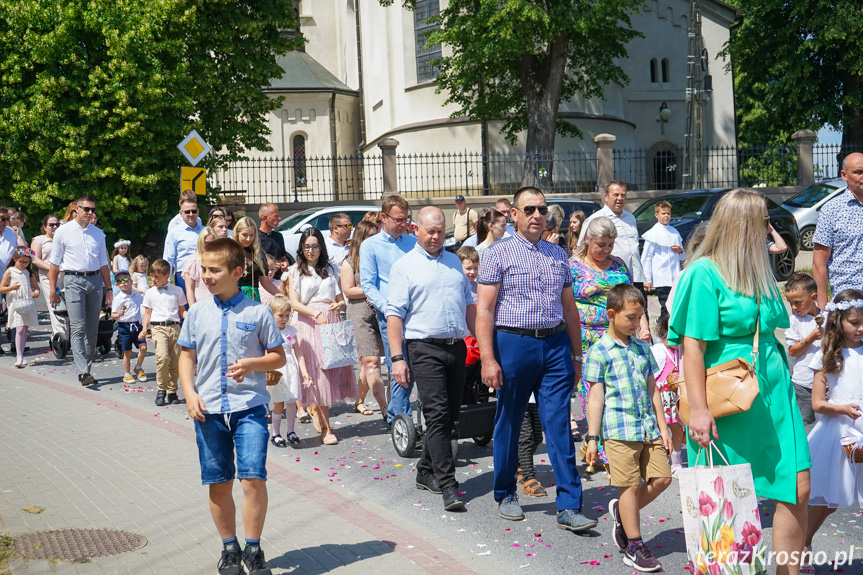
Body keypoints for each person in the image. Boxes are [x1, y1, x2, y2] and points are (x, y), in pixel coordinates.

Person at [670, 188, 810, 574]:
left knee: (797, 489)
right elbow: (692, 346)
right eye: (762, 221)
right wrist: (697, 410)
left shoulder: (757, 267)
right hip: (727, 395)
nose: (769, 228)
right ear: (742, 226)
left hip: (774, 391)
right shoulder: (703, 272)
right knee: (725, 496)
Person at [476, 186, 596, 532]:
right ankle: (505, 492)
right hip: (513, 343)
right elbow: (484, 310)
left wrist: (576, 355)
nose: (536, 215)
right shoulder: (497, 253)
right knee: (510, 420)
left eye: (541, 209)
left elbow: (570, 310)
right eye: (529, 209)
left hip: (556, 343)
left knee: (558, 423)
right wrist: (488, 359)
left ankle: (570, 504)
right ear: (514, 214)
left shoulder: (558, 254)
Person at [177, 238, 286, 575]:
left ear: (236, 272)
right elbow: (186, 354)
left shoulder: (257, 312)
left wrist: (253, 364)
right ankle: (229, 547)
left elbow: (278, 356)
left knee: (253, 478)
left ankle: (253, 549)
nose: (206, 276)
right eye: (204, 269)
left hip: (249, 408)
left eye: (214, 270)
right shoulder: (196, 312)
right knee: (219, 481)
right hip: (207, 409)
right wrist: (189, 392)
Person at [387, 206, 475, 511]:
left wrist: (485, 347)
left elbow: (470, 306)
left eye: (440, 230)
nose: (436, 236)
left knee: (450, 415)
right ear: (416, 230)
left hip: (456, 347)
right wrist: (398, 358)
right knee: (436, 415)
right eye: (430, 231)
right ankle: (448, 483)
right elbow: (394, 315)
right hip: (423, 348)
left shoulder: (454, 262)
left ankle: (425, 471)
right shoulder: (405, 266)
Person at [584, 283, 672, 572]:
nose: (637, 324)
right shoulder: (599, 351)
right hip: (618, 430)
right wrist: (593, 437)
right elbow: (596, 397)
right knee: (630, 486)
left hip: (647, 427)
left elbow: (653, 389)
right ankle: (634, 545)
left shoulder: (642, 348)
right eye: (631, 318)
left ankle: (623, 514)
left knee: (662, 479)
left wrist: (664, 427)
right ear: (612, 314)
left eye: (640, 317)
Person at [570, 217, 648, 448]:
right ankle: (601, 446)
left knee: (620, 390)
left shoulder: (619, 265)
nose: (606, 250)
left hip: (620, 337)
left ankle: (619, 443)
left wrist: (643, 326)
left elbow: (633, 299)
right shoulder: (573, 266)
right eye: (601, 244)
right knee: (594, 392)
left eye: (610, 245)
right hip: (587, 341)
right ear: (587, 240)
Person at [801, 289, 863, 574]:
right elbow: (817, 404)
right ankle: (803, 543)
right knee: (828, 501)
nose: (860, 328)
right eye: (854, 322)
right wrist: (843, 409)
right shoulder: (828, 357)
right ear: (839, 321)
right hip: (840, 435)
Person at [288, 227, 355, 445]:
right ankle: (326, 429)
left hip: (330, 321)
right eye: (306, 246)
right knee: (317, 375)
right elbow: (294, 303)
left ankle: (318, 409)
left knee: (329, 372)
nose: (311, 250)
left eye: (315, 246)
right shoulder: (295, 271)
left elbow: (341, 298)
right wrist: (316, 313)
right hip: (309, 322)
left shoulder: (331, 269)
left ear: (321, 247)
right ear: (301, 248)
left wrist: (339, 304)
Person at [360, 195, 418, 425]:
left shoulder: (413, 242)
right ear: (384, 218)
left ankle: (396, 414)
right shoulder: (370, 246)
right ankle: (402, 421)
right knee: (399, 365)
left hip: (416, 314)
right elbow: (368, 284)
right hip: (390, 317)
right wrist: (389, 310)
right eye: (398, 219)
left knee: (416, 367)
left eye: (406, 219)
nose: (403, 224)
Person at [49, 196, 113, 386]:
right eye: (86, 209)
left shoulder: (98, 234)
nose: (90, 213)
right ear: (76, 209)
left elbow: (103, 263)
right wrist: (52, 290)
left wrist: (109, 289)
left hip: (94, 281)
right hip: (73, 280)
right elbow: (54, 264)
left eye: (93, 210)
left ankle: (87, 367)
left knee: (92, 329)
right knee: (77, 326)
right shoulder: (63, 232)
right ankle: (83, 371)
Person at [340, 220, 388, 419]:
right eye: (369, 237)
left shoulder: (381, 257)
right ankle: (387, 410)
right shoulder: (350, 261)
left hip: (382, 313)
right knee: (371, 362)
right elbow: (348, 290)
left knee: (375, 365)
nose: (374, 240)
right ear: (361, 238)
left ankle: (359, 400)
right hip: (360, 314)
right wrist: (371, 291)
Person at [579, 180, 646, 316]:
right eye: (615, 195)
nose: (620, 198)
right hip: (612, 278)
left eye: (623, 195)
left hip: (634, 277)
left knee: (639, 315)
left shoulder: (631, 218)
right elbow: (582, 247)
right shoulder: (595, 219)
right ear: (606, 197)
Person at [813, 152, 863, 310]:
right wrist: (822, 309)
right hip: (847, 302)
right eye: (858, 172)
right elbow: (819, 263)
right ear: (844, 175)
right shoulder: (832, 210)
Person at [140, 259, 188, 406]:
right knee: (162, 357)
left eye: (157, 277)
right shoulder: (150, 293)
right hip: (158, 327)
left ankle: (172, 391)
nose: (153, 280)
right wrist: (144, 329)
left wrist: (192, 319)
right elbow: (147, 313)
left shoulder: (177, 291)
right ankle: (161, 389)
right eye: (152, 276)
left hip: (175, 327)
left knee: (175, 360)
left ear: (167, 276)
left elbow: (182, 311)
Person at [267, 295, 311, 448]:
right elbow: (264, 351)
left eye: (287, 315)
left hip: (290, 368)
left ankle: (291, 431)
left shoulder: (291, 330)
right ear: (271, 314)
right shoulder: (269, 331)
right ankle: (276, 433)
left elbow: (298, 353)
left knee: (291, 401)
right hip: (276, 369)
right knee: (279, 402)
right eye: (280, 315)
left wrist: (304, 371)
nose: (284, 319)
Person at [784, 272, 825, 431]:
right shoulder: (794, 321)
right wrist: (811, 338)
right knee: (805, 422)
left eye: (798, 302)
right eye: (790, 303)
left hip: (826, 382)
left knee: (825, 422)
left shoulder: (828, 318)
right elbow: (793, 351)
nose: (794, 307)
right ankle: (807, 453)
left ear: (813, 297)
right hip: (803, 382)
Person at [650, 315, 685, 476]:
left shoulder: (683, 351)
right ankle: (658, 462)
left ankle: (676, 464)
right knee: (657, 431)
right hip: (661, 398)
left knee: (678, 430)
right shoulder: (657, 351)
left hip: (677, 398)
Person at [640, 200, 684, 323]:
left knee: (673, 304)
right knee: (666, 305)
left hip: (674, 275)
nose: (666, 216)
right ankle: (662, 326)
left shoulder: (674, 232)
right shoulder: (653, 234)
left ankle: (662, 323)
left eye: (668, 214)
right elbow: (646, 257)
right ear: (656, 215)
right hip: (661, 276)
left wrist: (680, 250)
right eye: (663, 213)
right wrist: (647, 279)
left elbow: (682, 256)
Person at [0, 247, 40, 367]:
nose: (24, 264)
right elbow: (1, 288)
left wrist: (36, 292)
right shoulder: (10, 271)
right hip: (15, 303)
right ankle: (19, 357)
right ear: (15, 259)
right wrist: (11, 288)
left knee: (24, 329)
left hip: (26, 303)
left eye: (26, 262)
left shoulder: (29, 272)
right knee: (20, 328)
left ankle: (21, 354)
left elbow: (36, 287)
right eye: (21, 261)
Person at [110, 270, 148, 384]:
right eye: (120, 281)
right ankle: (127, 374)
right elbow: (113, 315)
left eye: (125, 279)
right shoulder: (118, 298)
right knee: (128, 352)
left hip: (137, 325)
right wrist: (119, 314)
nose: (123, 283)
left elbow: (146, 303)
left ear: (131, 281)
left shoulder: (137, 295)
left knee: (144, 347)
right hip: (124, 327)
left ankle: (138, 367)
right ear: (116, 284)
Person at [30, 214, 64, 337]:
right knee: (55, 305)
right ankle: (60, 335)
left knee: (68, 308)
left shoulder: (63, 238)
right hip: (47, 276)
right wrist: (53, 268)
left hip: (65, 276)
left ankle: (66, 336)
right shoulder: (38, 240)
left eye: (57, 224)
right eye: (51, 225)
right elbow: (34, 259)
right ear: (44, 227)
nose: (55, 227)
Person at [233, 217, 281, 303]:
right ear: (237, 233)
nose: (248, 239)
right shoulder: (230, 252)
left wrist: (283, 296)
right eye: (244, 235)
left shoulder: (258, 254)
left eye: (251, 235)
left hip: (253, 299)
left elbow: (266, 283)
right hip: (234, 297)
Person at [163, 197, 204, 297]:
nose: (191, 214)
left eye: (193, 211)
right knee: (186, 309)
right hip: (183, 275)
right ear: (181, 213)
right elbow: (168, 258)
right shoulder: (174, 232)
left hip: (204, 274)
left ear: (198, 212)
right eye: (187, 212)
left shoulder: (205, 231)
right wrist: (166, 281)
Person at [183, 227, 218, 307]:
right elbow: (189, 290)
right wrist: (193, 310)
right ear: (201, 243)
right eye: (206, 243)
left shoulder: (221, 261)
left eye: (212, 242)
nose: (209, 245)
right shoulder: (193, 262)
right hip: (200, 306)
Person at [257, 203, 292, 268]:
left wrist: (285, 263)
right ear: (265, 218)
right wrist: (270, 265)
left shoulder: (278, 236)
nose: (279, 218)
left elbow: (283, 257)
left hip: (279, 277)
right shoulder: (255, 237)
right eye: (275, 216)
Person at [0, 206, 20, 276]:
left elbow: (19, 250)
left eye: (7, 219)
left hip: (8, 278)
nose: (5, 221)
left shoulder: (10, 231)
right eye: (2, 219)